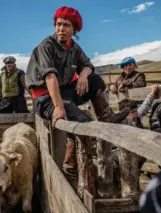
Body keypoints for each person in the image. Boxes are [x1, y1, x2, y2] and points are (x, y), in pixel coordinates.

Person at [25, 6, 129, 176]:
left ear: (74, 30)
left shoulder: (74, 47)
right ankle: (71, 162)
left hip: (64, 92)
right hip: (44, 98)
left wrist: (82, 76)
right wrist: (58, 107)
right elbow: (50, 76)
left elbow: (88, 65)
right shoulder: (46, 46)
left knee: (94, 79)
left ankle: (106, 118)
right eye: (58, 24)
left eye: (66, 25)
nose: (61, 29)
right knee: (79, 117)